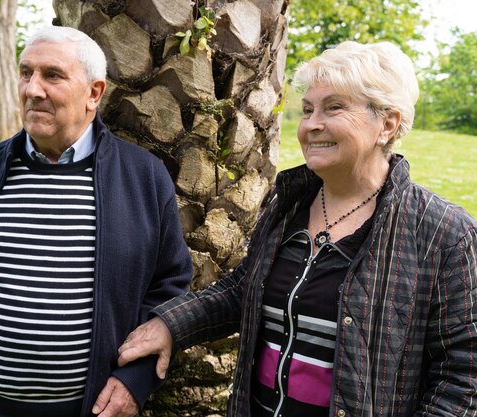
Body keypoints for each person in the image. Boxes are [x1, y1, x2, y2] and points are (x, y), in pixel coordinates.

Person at [117, 41, 477, 417]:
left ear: (387, 124)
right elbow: (244, 290)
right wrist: (170, 325)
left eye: (334, 107)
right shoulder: (288, 205)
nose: (311, 125)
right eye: (307, 110)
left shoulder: (445, 234)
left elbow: (464, 377)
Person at [0, 26, 192, 417]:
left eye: (52, 75)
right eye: (26, 72)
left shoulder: (142, 177)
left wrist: (134, 381)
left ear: (94, 94)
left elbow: (168, 289)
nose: (33, 89)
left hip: (96, 409)